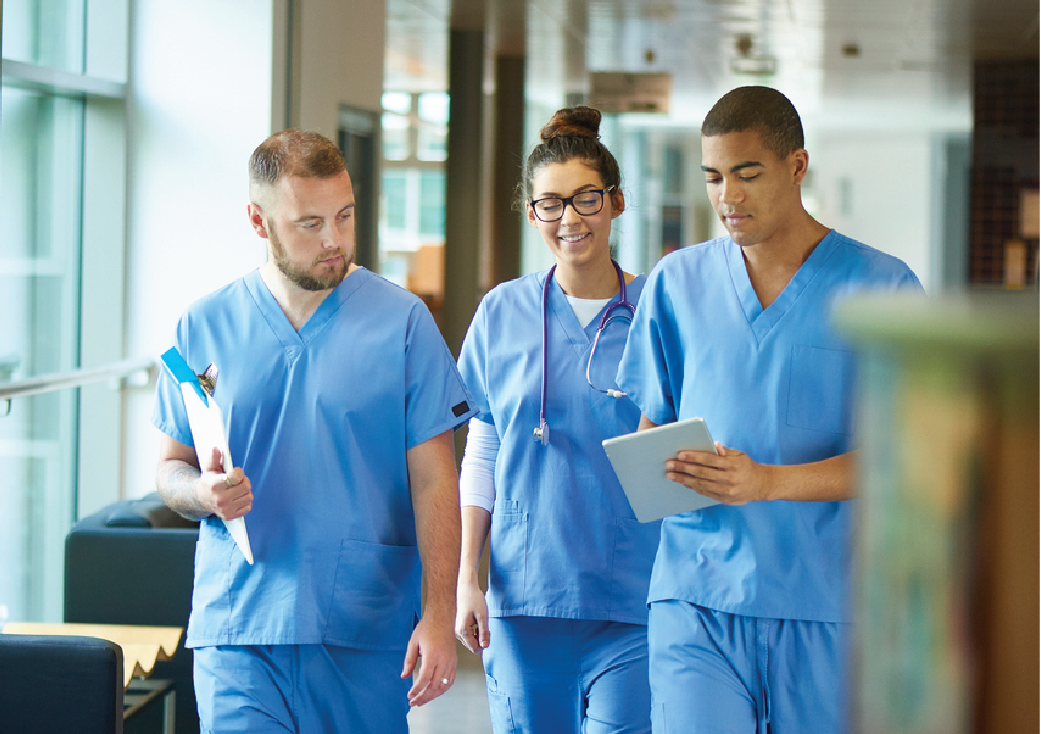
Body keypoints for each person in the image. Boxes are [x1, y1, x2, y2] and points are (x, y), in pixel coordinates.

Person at [616, 86, 923, 734]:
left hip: (827, 609)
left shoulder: (881, 287)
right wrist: (662, 471)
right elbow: (651, 430)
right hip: (695, 597)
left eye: (746, 173)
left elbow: (907, 460)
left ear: (796, 166)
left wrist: (766, 483)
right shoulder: (677, 283)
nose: (727, 196)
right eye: (713, 177)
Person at [152, 129, 473, 734]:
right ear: (258, 220)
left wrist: (437, 615)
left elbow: (436, 481)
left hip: (364, 625)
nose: (334, 240)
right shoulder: (204, 324)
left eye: (344, 216)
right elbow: (171, 468)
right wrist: (202, 495)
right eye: (310, 224)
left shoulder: (402, 323)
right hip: (239, 625)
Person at [453, 106, 658, 734]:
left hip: (635, 597)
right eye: (551, 203)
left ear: (617, 202)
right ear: (531, 211)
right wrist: (468, 575)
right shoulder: (500, 313)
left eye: (587, 199)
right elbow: (482, 449)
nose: (570, 219)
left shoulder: (656, 310)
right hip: (526, 596)